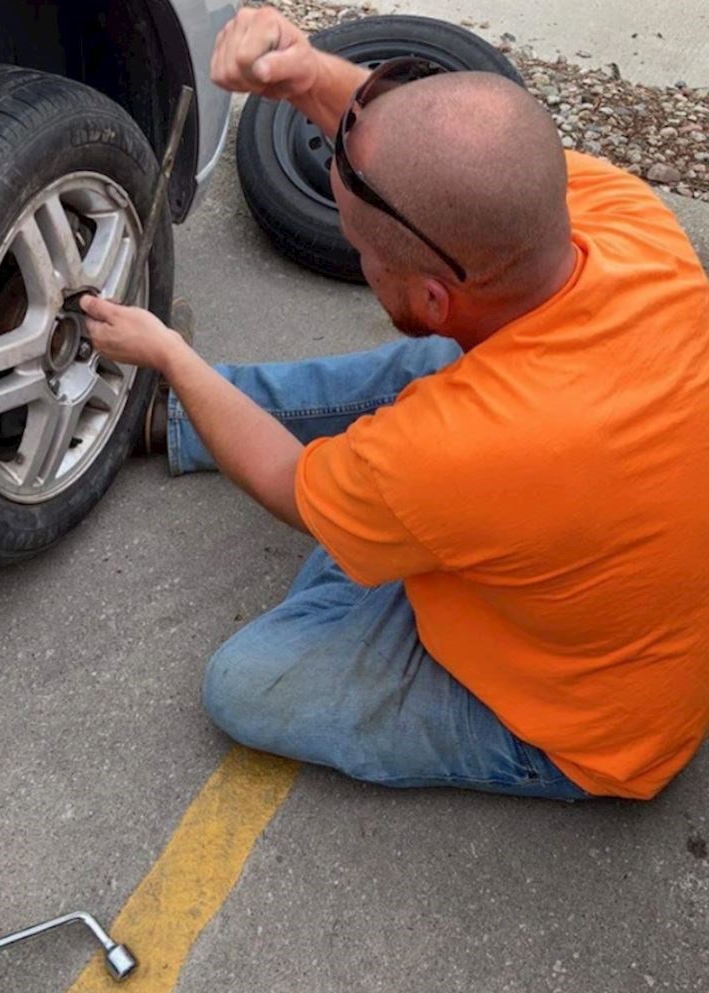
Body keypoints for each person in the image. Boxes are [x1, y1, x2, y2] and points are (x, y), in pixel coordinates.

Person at [81, 6, 709, 801]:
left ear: (435, 294)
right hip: (614, 578)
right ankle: (227, 442)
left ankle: (369, 519)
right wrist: (307, 75)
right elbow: (421, 151)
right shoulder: (627, 220)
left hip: (594, 731)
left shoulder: (465, 449)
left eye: (363, 251)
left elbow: (285, 483)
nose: (355, 257)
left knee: (245, 682)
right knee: (423, 375)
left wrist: (171, 352)